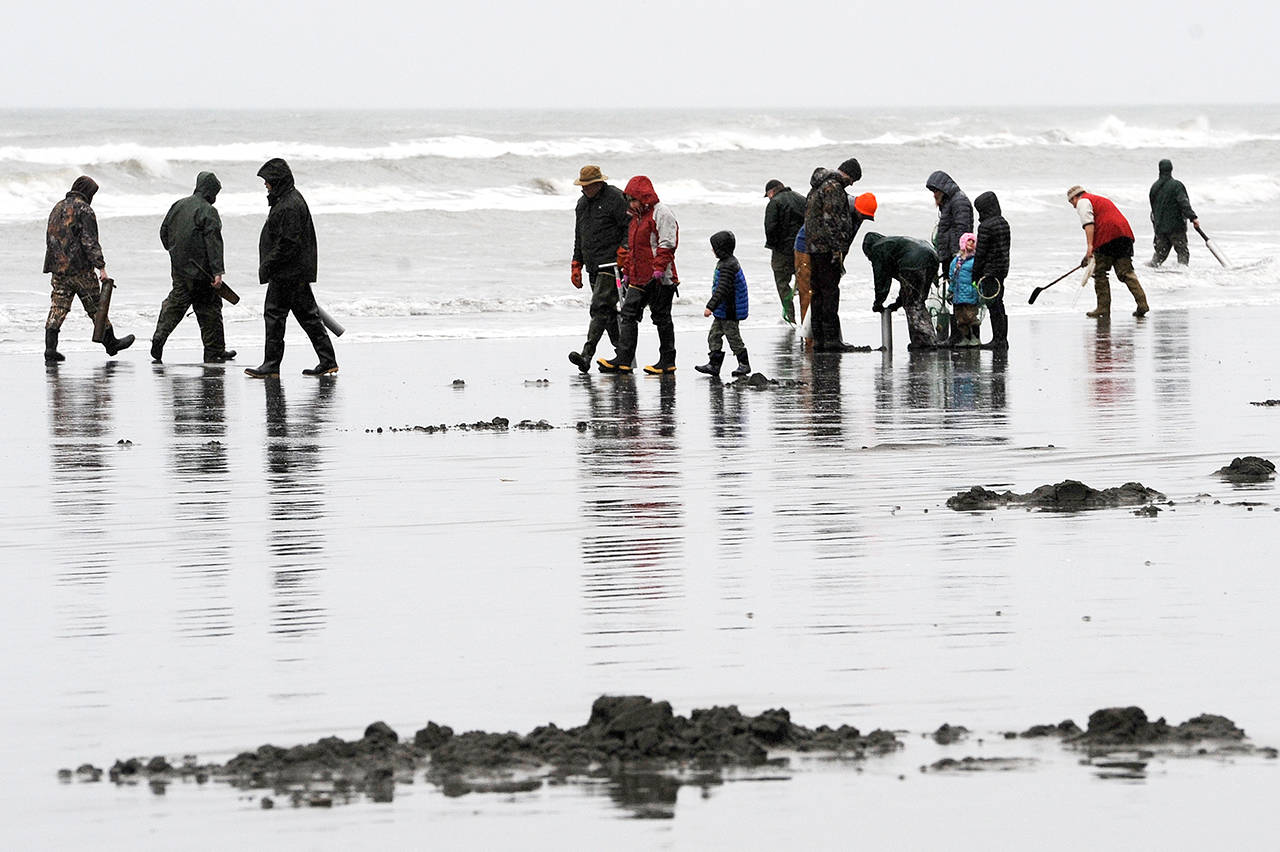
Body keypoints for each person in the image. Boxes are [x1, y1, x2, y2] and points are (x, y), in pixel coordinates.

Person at [245, 159, 338, 378]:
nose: (265, 185)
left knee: (274, 316)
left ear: (278, 181)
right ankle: (328, 361)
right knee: (309, 317)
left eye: (268, 181)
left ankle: (271, 365)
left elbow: (288, 244)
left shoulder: (289, 205)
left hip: (287, 273)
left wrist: (268, 265)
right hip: (296, 272)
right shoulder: (289, 199)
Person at [42, 176, 135, 363]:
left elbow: (50, 237)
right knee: (95, 306)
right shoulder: (85, 209)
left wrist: (55, 264)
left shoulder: (57, 207)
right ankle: (111, 343)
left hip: (58, 268)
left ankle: (50, 348)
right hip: (80, 270)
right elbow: (89, 241)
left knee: (58, 306)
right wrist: (101, 267)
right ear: (87, 192)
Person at [597, 176, 679, 375]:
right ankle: (624, 359)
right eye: (629, 200)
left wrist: (659, 269)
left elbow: (667, 243)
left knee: (661, 318)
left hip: (660, 277)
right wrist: (626, 271)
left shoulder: (661, 213)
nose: (631, 203)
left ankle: (667, 361)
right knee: (628, 315)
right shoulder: (636, 218)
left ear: (645, 197)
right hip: (637, 277)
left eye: (634, 199)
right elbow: (633, 250)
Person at [151, 171, 235, 364]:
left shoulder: (178, 205)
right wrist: (217, 272)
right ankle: (215, 351)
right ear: (210, 191)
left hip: (179, 267)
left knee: (176, 303)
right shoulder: (208, 210)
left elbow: (163, 231)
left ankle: (159, 337)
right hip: (202, 272)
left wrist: (173, 251)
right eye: (215, 193)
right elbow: (214, 243)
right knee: (209, 308)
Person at [569, 165, 629, 373]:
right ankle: (622, 356)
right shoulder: (582, 204)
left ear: (598, 183)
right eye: (582, 186)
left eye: (587, 186)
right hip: (593, 265)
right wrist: (576, 263)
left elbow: (630, 226)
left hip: (612, 264)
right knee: (608, 313)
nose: (583, 189)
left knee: (599, 307)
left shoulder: (616, 198)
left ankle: (587, 354)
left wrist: (624, 249)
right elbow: (580, 236)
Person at [803, 157, 863, 352]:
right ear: (847, 174)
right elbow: (832, 220)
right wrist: (838, 249)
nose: (852, 184)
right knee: (830, 293)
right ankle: (831, 339)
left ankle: (819, 339)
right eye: (853, 179)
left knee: (818, 293)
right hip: (827, 249)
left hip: (813, 248)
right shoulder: (834, 188)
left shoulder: (817, 186)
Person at [1067, 185, 1149, 318]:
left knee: (1099, 273)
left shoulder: (1083, 201)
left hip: (1108, 237)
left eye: (1072, 202)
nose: (1074, 206)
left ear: (1075, 197)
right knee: (1126, 273)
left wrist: (1089, 247)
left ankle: (1103, 308)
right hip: (1124, 235)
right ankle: (1142, 304)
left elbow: (1089, 224)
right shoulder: (1100, 200)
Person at [862, 232, 941, 350]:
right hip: (931, 257)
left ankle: (922, 341)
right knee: (919, 301)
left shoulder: (877, 249)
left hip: (914, 261)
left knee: (912, 304)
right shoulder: (893, 244)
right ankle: (930, 338)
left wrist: (878, 303)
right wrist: (898, 303)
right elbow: (905, 283)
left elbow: (881, 279)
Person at [695, 230, 750, 378]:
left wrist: (710, 306)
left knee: (733, 338)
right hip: (723, 310)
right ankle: (714, 365)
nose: (712, 250)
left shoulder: (728, 266)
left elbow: (722, 290)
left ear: (721, 249)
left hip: (729, 311)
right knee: (714, 335)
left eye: (714, 247)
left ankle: (744, 364)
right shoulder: (727, 262)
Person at [762, 178, 807, 323]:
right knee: (803, 281)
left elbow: (770, 228)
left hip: (782, 250)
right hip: (802, 249)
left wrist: (773, 245)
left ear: (771, 192)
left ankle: (790, 316)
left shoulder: (774, 203)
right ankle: (807, 317)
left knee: (782, 282)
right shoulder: (801, 199)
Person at [971, 190, 1010, 350]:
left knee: (993, 305)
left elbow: (980, 254)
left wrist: (975, 274)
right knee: (999, 303)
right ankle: (1002, 339)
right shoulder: (1003, 222)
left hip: (989, 272)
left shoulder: (985, 226)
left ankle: (998, 340)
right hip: (1002, 270)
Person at [1148, 159, 1199, 266]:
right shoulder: (1176, 185)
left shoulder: (1154, 187)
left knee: (1159, 257)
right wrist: (1193, 217)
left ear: (1159, 170)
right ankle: (1182, 277)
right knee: (1182, 253)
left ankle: (1148, 275)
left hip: (1160, 229)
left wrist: (1157, 227)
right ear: (1171, 169)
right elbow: (1183, 203)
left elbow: (1153, 210)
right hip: (1176, 228)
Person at [926, 170, 973, 279]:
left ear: (943, 190)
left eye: (935, 191)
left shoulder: (959, 201)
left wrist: (959, 254)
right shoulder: (949, 201)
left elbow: (963, 229)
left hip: (955, 255)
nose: (934, 195)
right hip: (949, 254)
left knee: (956, 286)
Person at [948, 233, 980, 347]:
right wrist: (950, 291)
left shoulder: (975, 260)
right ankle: (966, 338)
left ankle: (975, 338)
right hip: (958, 293)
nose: (971, 243)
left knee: (971, 317)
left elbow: (978, 277)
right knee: (960, 319)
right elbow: (952, 276)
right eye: (969, 241)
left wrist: (977, 291)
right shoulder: (956, 260)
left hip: (970, 293)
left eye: (973, 242)